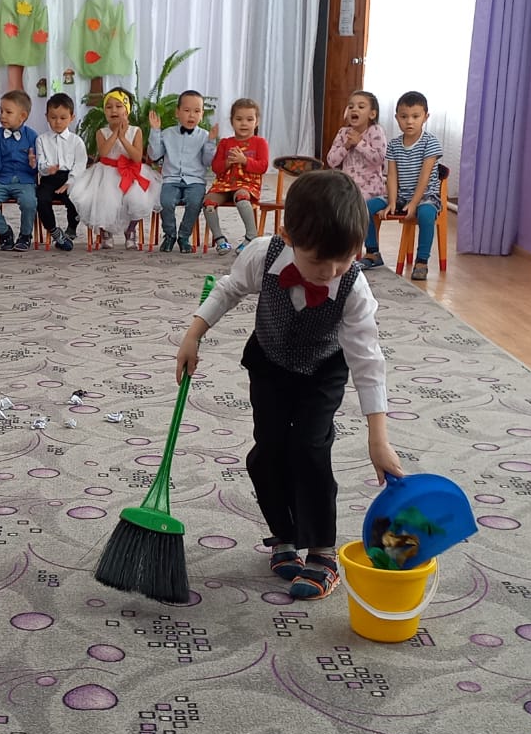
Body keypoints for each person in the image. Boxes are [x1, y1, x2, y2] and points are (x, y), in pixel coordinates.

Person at [175, 170, 403, 600]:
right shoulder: (264, 254)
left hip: (322, 371)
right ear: (288, 236)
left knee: (310, 451)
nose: (330, 272)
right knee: (268, 453)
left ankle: (321, 552)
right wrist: (193, 334)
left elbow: (368, 361)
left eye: (343, 260)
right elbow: (229, 290)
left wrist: (378, 438)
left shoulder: (353, 288)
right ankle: (283, 535)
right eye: (317, 262)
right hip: (269, 364)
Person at [361, 90, 442, 281]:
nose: (409, 121)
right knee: (363, 208)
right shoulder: (394, 145)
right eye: (404, 117)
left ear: (426, 117)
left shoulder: (430, 143)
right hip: (399, 196)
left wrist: (413, 204)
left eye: (415, 116)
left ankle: (421, 261)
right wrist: (391, 202)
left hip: (425, 196)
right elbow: (392, 176)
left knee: (426, 214)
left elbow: (424, 178)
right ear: (397, 117)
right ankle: (372, 253)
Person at [73, 87, 160, 249]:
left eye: (119, 106)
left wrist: (123, 138)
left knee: (137, 199)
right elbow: (104, 153)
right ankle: (106, 231)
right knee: (104, 199)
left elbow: (136, 157)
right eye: (109, 107)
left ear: (127, 110)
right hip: (106, 172)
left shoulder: (136, 131)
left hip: (130, 171)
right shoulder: (101, 132)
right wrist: (115, 134)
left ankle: (131, 230)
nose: (113, 110)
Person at [148, 90, 219, 253]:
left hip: (195, 181)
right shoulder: (167, 133)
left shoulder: (205, 136)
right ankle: (170, 234)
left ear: (202, 115)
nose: (191, 115)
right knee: (165, 202)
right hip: (171, 179)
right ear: (177, 112)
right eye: (187, 110)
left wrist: (211, 142)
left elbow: (207, 162)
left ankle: (184, 236)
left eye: (197, 111)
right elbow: (154, 155)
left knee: (195, 202)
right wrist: (155, 131)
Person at [0, 89, 39, 251]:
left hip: (25, 181)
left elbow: (37, 168)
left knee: (29, 202)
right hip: (2, 180)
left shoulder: (32, 136)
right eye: (1, 111)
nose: (2, 116)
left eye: (8, 112)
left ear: (22, 116)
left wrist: (34, 164)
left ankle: (25, 235)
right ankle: (4, 232)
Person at [206, 97, 269, 254]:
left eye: (249, 119)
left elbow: (263, 167)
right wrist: (228, 162)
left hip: (247, 184)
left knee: (241, 197)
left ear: (257, 122)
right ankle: (220, 239)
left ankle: (251, 237)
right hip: (224, 184)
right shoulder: (225, 143)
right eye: (239, 119)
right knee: (208, 202)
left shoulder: (260, 143)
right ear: (232, 121)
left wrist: (244, 160)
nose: (244, 123)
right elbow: (216, 168)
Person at [35, 93, 87, 252]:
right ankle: (55, 232)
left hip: (69, 178)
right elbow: (40, 163)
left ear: (72, 117)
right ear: (46, 117)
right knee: (41, 199)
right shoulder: (41, 139)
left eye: (63, 118)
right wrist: (47, 169)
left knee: (76, 199)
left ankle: (71, 228)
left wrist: (69, 182)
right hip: (49, 179)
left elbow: (80, 165)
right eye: (53, 117)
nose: (58, 122)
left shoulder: (76, 141)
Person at [325, 90, 386, 211]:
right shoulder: (343, 133)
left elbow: (379, 159)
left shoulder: (375, 130)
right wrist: (346, 146)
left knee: (353, 206)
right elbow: (331, 161)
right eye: (351, 106)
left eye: (361, 106)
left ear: (372, 114)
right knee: (327, 201)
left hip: (370, 189)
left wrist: (359, 143)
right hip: (346, 186)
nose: (354, 109)